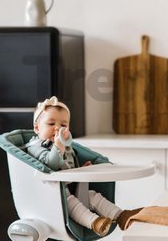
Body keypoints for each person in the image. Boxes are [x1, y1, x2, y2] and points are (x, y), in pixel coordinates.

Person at [27, 96, 142, 237]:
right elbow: (50, 163)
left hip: (71, 187)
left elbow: (69, 164)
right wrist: (58, 146)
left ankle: (121, 215)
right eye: (51, 124)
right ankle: (95, 222)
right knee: (71, 202)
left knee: (93, 196)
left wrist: (82, 167)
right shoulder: (35, 147)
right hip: (54, 193)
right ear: (37, 128)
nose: (57, 128)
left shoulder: (66, 146)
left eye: (63, 125)